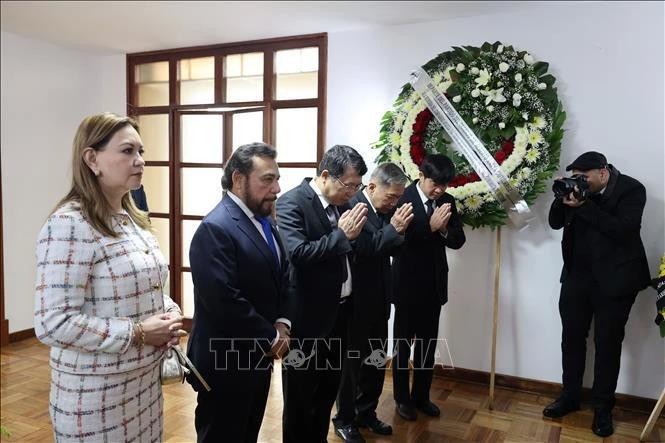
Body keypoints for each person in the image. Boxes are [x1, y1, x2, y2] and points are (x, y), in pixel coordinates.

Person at [34, 112, 185, 442]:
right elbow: (52, 322)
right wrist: (139, 332)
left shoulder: (132, 218)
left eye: (141, 151)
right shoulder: (69, 224)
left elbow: (150, 285)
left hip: (143, 384)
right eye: (127, 151)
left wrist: (169, 312)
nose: (140, 161)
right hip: (95, 396)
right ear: (92, 159)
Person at [186, 142, 291, 443]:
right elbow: (223, 299)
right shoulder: (216, 227)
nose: (277, 188)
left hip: (257, 358)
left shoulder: (265, 220)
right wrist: (271, 338)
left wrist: (283, 322)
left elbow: (284, 274)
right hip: (225, 364)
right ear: (238, 179)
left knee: (247, 434)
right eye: (267, 179)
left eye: (277, 178)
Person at [544, 151, 651, 437]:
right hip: (577, 278)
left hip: (616, 282)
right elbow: (555, 223)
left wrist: (583, 205)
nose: (580, 182)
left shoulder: (631, 189)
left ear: (603, 172)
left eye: (584, 177)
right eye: (576, 177)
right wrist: (561, 197)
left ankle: (603, 408)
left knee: (607, 344)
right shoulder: (576, 191)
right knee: (572, 339)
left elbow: (623, 231)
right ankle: (569, 397)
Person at [277, 144, 368, 442]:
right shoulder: (292, 203)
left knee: (327, 393)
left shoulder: (344, 204)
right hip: (306, 320)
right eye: (349, 184)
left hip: (340, 314)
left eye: (358, 186)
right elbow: (298, 253)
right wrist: (341, 236)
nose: (353, 192)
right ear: (326, 175)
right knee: (300, 399)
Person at [333, 163, 413, 441]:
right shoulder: (353, 207)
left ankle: (366, 412)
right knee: (351, 364)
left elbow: (394, 248)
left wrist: (398, 231)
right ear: (371, 187)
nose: (394, 202)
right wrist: (394, 230)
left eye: (397, 198)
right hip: (356, 301)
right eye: (390, 197)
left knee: (376, 361)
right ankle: (344, 419)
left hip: (380, 297)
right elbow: (362, 249)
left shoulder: (386, 210)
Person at [391, 154, 466, 422]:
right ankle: (402, 399)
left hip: (434, 285)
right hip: (406, 284)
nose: (439, 190)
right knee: (402, 345)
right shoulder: (402, 197)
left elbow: (458, 240)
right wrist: (431, 228)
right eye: (435, 183)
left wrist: (445, 230)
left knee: (426, 345)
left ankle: (421, 396)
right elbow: (397, 241)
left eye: (444, 185)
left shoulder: (447, 202)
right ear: (421, 175)